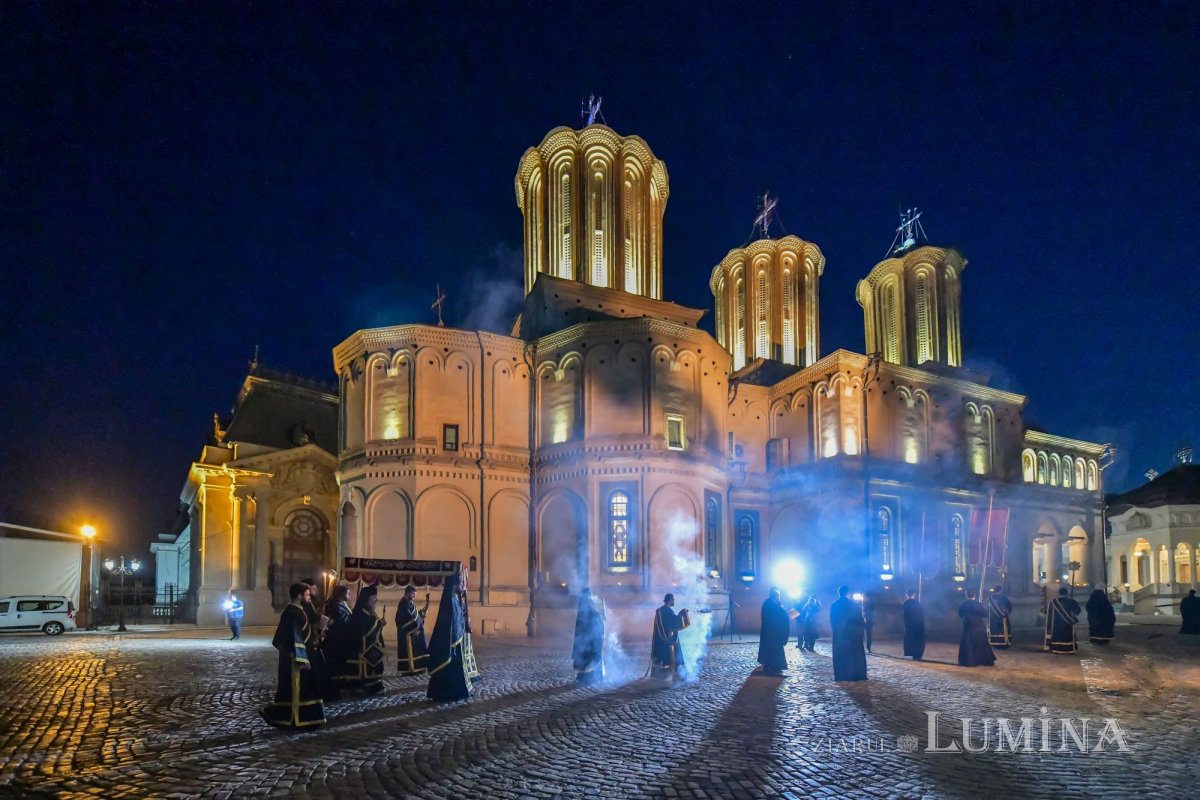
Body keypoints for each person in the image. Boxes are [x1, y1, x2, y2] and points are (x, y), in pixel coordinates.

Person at [261, 582, 326, 729]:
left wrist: (316, 637)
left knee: (307, 688)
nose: (309, 597)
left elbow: (305, 633)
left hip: (305, 656)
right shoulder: (291, 613)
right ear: (299, 596)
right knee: (296, 689)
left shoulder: (300, 610)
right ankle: (294, 719)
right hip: (295, 660)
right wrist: (302, 659)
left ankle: (307, 718)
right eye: (307, 595)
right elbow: (295, 637)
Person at [331, 586, 386, 694]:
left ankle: (372, 684)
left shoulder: (369, 611)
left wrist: (379, 624)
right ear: (367, 599)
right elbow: (362, 628)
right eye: (374, 598)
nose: (376, 600)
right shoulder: (360, 612)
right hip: (361, 647)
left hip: (369, 646)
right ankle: (364, 686)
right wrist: (379, 624)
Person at [427, 574, 472, 702]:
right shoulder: (449, 600)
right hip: (450, 642)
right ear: (454, 585)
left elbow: (459, 617)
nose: (461, 586)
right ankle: (446, 693)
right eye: (460, 584)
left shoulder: (455, 599)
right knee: (448, 667)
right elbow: (449, 623)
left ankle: (456, 692)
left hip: (456, 640)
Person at [319, 585, 353, 700]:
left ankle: (334, 687)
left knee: (335, 665)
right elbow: (343, 622)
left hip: (334, 639)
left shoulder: (334, 604)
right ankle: (334, 690)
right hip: (339, 640)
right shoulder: (340, 606)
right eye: (348, 593)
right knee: (337, 665)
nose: (349, 595)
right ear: (341, 594)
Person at [829, 586, 867, 681]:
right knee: (854, 655)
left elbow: (832, 621)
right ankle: (856, 675)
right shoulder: (854, 605)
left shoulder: (834, 605)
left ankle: (841, 675)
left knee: (841, 655)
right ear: (848, 593)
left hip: (840, 634)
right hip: (852, 634)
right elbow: (859, 621)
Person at [651, 593, 690, 680]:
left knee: (661, 657)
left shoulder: (660, 611)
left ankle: (659, 676)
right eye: (673, 600)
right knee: (671, 656)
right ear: (670, 600)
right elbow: (674, 623)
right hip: (668, 639)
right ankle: (675, 676)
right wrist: (683, 613)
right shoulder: (667, 611)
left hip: (660, 640)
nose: (674, 602)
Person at [571, 588, 606, 685]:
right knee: (589, 656)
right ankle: (588, 677)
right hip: (587, 638)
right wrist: (599, 614)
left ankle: (588, 677)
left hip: (588, 638)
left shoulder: (586, 606)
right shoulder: (586, 608)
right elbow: (593, 619)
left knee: (589, 656)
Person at [396, 585, 430, 676]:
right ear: (408, 593)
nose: (414, 596)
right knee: (412, 651)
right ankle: (411, 669)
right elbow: (404, 619)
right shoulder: (403, 604)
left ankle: (418, 668)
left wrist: (421, 613)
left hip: (415, 632)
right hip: (408, 633)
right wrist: (413, 628)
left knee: (419, 649)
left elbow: (414, 615)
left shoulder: (408, 602)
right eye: (413, 594)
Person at [756, 588, 790, 676]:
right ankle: (771, 666)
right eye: (778, 595)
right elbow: (772, 616)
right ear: (776, 596)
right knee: (772, 649)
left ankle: (776, 666)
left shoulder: (771, 603)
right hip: (772, 631)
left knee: (775, 649)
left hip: (774, 631)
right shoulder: (770, 604)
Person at [958, 589, 996, 667]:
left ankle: (968, 661)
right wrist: (982, 607)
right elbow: (985, 614)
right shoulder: (978, 604)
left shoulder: (963, 605)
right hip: (978, 626)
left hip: (968, 626)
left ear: (966, 596)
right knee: (981, 644)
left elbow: (961, 615)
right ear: (975, 595)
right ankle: (983, 660)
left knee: (968, 644)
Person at [1043, 586, 1082, 654]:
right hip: (1068, 624)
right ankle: (1069, 649)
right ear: (1066, 593)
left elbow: (1049, 614)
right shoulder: (1071, 601)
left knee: (1058, 637)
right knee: (1068, 637)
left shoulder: (1053, 602)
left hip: (1057, 624)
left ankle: (1057, 649)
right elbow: (1078, 611)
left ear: (1059, 593)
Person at [901, 589, 925, 661]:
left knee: (911, 639)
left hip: (910, 624)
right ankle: (918, 654)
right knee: (918, 640)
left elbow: (904, 615)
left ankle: (912, 653)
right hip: (918, 624)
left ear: (907, 595)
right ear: (914, 594)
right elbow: (922, 614)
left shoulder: (905, 604)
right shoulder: (918, 603)